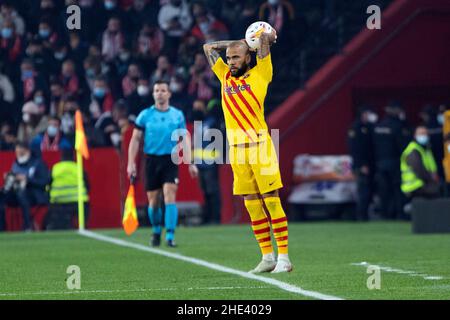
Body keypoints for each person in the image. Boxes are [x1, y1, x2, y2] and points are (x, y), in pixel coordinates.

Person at [203, 28, 292, 273]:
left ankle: (283, 257)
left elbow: (264, 41)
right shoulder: (224, 77)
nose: (230, 62)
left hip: (260, 146)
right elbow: (208, 47)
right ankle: (267, 257)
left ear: (248, 57)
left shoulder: (261, 73)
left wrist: (254, 41)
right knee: (251, 204)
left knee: (271, 200)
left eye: (236, 57)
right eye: (229, 58)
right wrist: (235, 43)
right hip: (237, 150)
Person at [127, 80, 198, 247]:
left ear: (169, 94)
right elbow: (135, 139)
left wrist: (190, 163)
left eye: (163, 90)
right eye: (157, 90)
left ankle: (170, 236)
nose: (159, 93)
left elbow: (184, 139)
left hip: (170, 160)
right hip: (151, 160)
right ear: (153, 94)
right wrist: (131, 163)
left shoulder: (177, 115)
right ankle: (157, 230)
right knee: (153, 201)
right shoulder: (145, 115)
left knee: (169, 195)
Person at [0, 142, 50, 231]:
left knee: (21, 194)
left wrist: (27, 179)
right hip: (16, 192)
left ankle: (27, 226)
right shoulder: (15, 165)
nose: (18, 154)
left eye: (20, 152)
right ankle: (2, 228)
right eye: (17, 152)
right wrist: (10, 178)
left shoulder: (38, 164)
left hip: (34, 194)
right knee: (2, 195)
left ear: (27, 151)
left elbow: (44, 182)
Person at [373, 102, 410, 219]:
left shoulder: (378, 126)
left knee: (384, 191)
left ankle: (385, 214)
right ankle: (399, 214)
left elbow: (373, 145)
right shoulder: (398, 126)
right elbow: (402, 145)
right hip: (395, 162)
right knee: (398, 190)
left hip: (380, 163)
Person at [192, 99, 222, 224]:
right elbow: (195, 144)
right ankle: (208, 217)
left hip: (210, 162)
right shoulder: (198, 124)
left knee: (212, 190)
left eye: (198, 107)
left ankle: (215, 217)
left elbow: (218, 141)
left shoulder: (212, 122)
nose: (196, 110)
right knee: (204, 191)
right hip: (200, 163)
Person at [45, 149, 89, 230]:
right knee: (86, 205)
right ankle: (84, 225)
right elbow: (87, 185)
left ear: (61, 157)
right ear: (73, 157)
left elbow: (47, 185)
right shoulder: (78, 168)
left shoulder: (55, 168)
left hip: (58, 202)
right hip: (78, 202)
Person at [347, 106, 377, 221]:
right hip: (361, 166)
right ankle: (361, 216)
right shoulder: (355, 128)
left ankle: (366, 215)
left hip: (370, 164)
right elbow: (355, 149)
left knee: (369, 191)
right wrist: (361, 165)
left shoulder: (369, 127)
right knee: (363, 191)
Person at [401, 125, 440, 199]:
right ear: (415, 135)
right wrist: (431, 178)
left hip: (424, 183)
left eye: (425, 133)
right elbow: (419, 170)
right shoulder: (413, 150)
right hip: (414, 185)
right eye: (421, 133)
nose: (423, 136)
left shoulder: (426, 148)